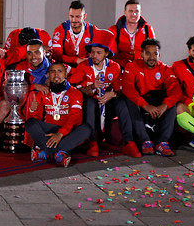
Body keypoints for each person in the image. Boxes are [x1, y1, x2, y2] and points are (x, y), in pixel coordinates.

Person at [72, 29, 139, 158]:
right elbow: (74, 91)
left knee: (121, 103)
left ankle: (129, 142)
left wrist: (112, 95)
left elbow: (122, 89)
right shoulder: (83, 66)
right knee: (91, 103)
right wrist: (92, 87)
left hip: (106, 105)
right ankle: (92, 143)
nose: (94, 55)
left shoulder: (114, 67)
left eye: (98, 52)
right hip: (89, 107)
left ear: (106, 53)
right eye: (92, 52)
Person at [24, 62, 91, 167]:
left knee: (86, 129)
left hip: (68, 131)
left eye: (60, 71)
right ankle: (58, 154)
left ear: (65, 75)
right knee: (30, 123)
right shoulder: (43, 92)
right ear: (48, 75)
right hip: (50, 130)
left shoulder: (75, 93)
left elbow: (75, 118)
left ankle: (45, 153)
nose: (56, 74)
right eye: (52, 71)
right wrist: (33, 110)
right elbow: (37, 118)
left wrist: (60, 134)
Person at [122, 39, 181, 156]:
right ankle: (145, 141)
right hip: (141, 100)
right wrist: (145, 105)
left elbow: (176, 91)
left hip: (157, 99)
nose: (152, 57)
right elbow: (127, 88)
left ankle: (162, 143)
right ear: (142, 54)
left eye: (155, 53)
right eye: (148, 53)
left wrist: (164, 106)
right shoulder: (132, 66)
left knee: (172, 103)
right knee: (130, 100)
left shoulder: (165, 69)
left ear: (159, 55)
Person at [108, 0, 156, 66]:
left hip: (142, 68)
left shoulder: (148, 29)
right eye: (130, 11)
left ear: (140, 13)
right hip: (121, 68)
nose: (134, 14)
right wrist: (127, 64)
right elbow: (111, 55)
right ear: (125, 12)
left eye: (137, 11)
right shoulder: (114, 30)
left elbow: (152, 54)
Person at [52, 0, 98, 67]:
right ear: (68, 14)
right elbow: (56, 56)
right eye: (72, 16)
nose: (74, 20)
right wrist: (76, 60)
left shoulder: (93, 30)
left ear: (84, 16)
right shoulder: (60, 30)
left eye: (78, 17)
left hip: (86, 66)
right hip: (65, 67)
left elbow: (99, 54)